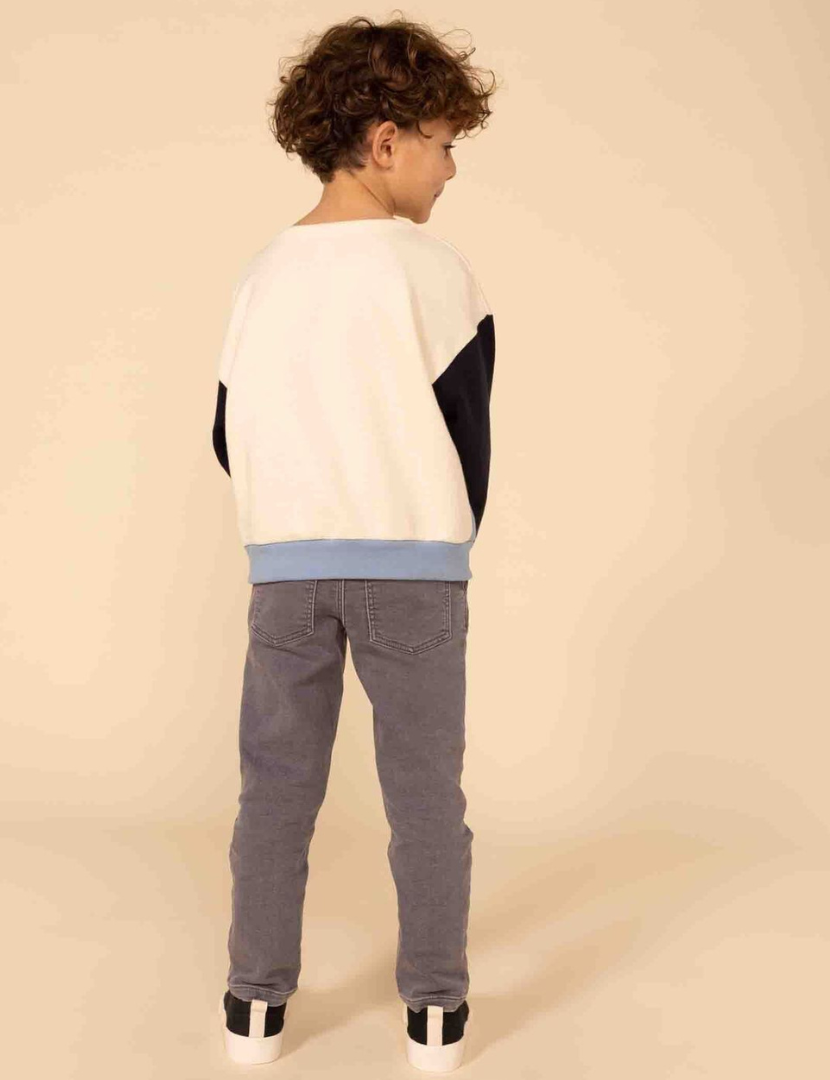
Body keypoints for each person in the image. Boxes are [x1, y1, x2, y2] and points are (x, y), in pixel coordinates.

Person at [211, 14, 498, 1072]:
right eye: (444, 144)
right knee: (424, 798)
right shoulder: (433, 271)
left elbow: (227, 430)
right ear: (386, 142)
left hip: (285, 576)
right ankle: (435, 1016)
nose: (451, 168)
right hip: (413, 572)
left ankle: (253, 1010)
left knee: (275, 794)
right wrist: (437, 529)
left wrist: (294, 509)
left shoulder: (261, 276)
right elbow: (469, 430)